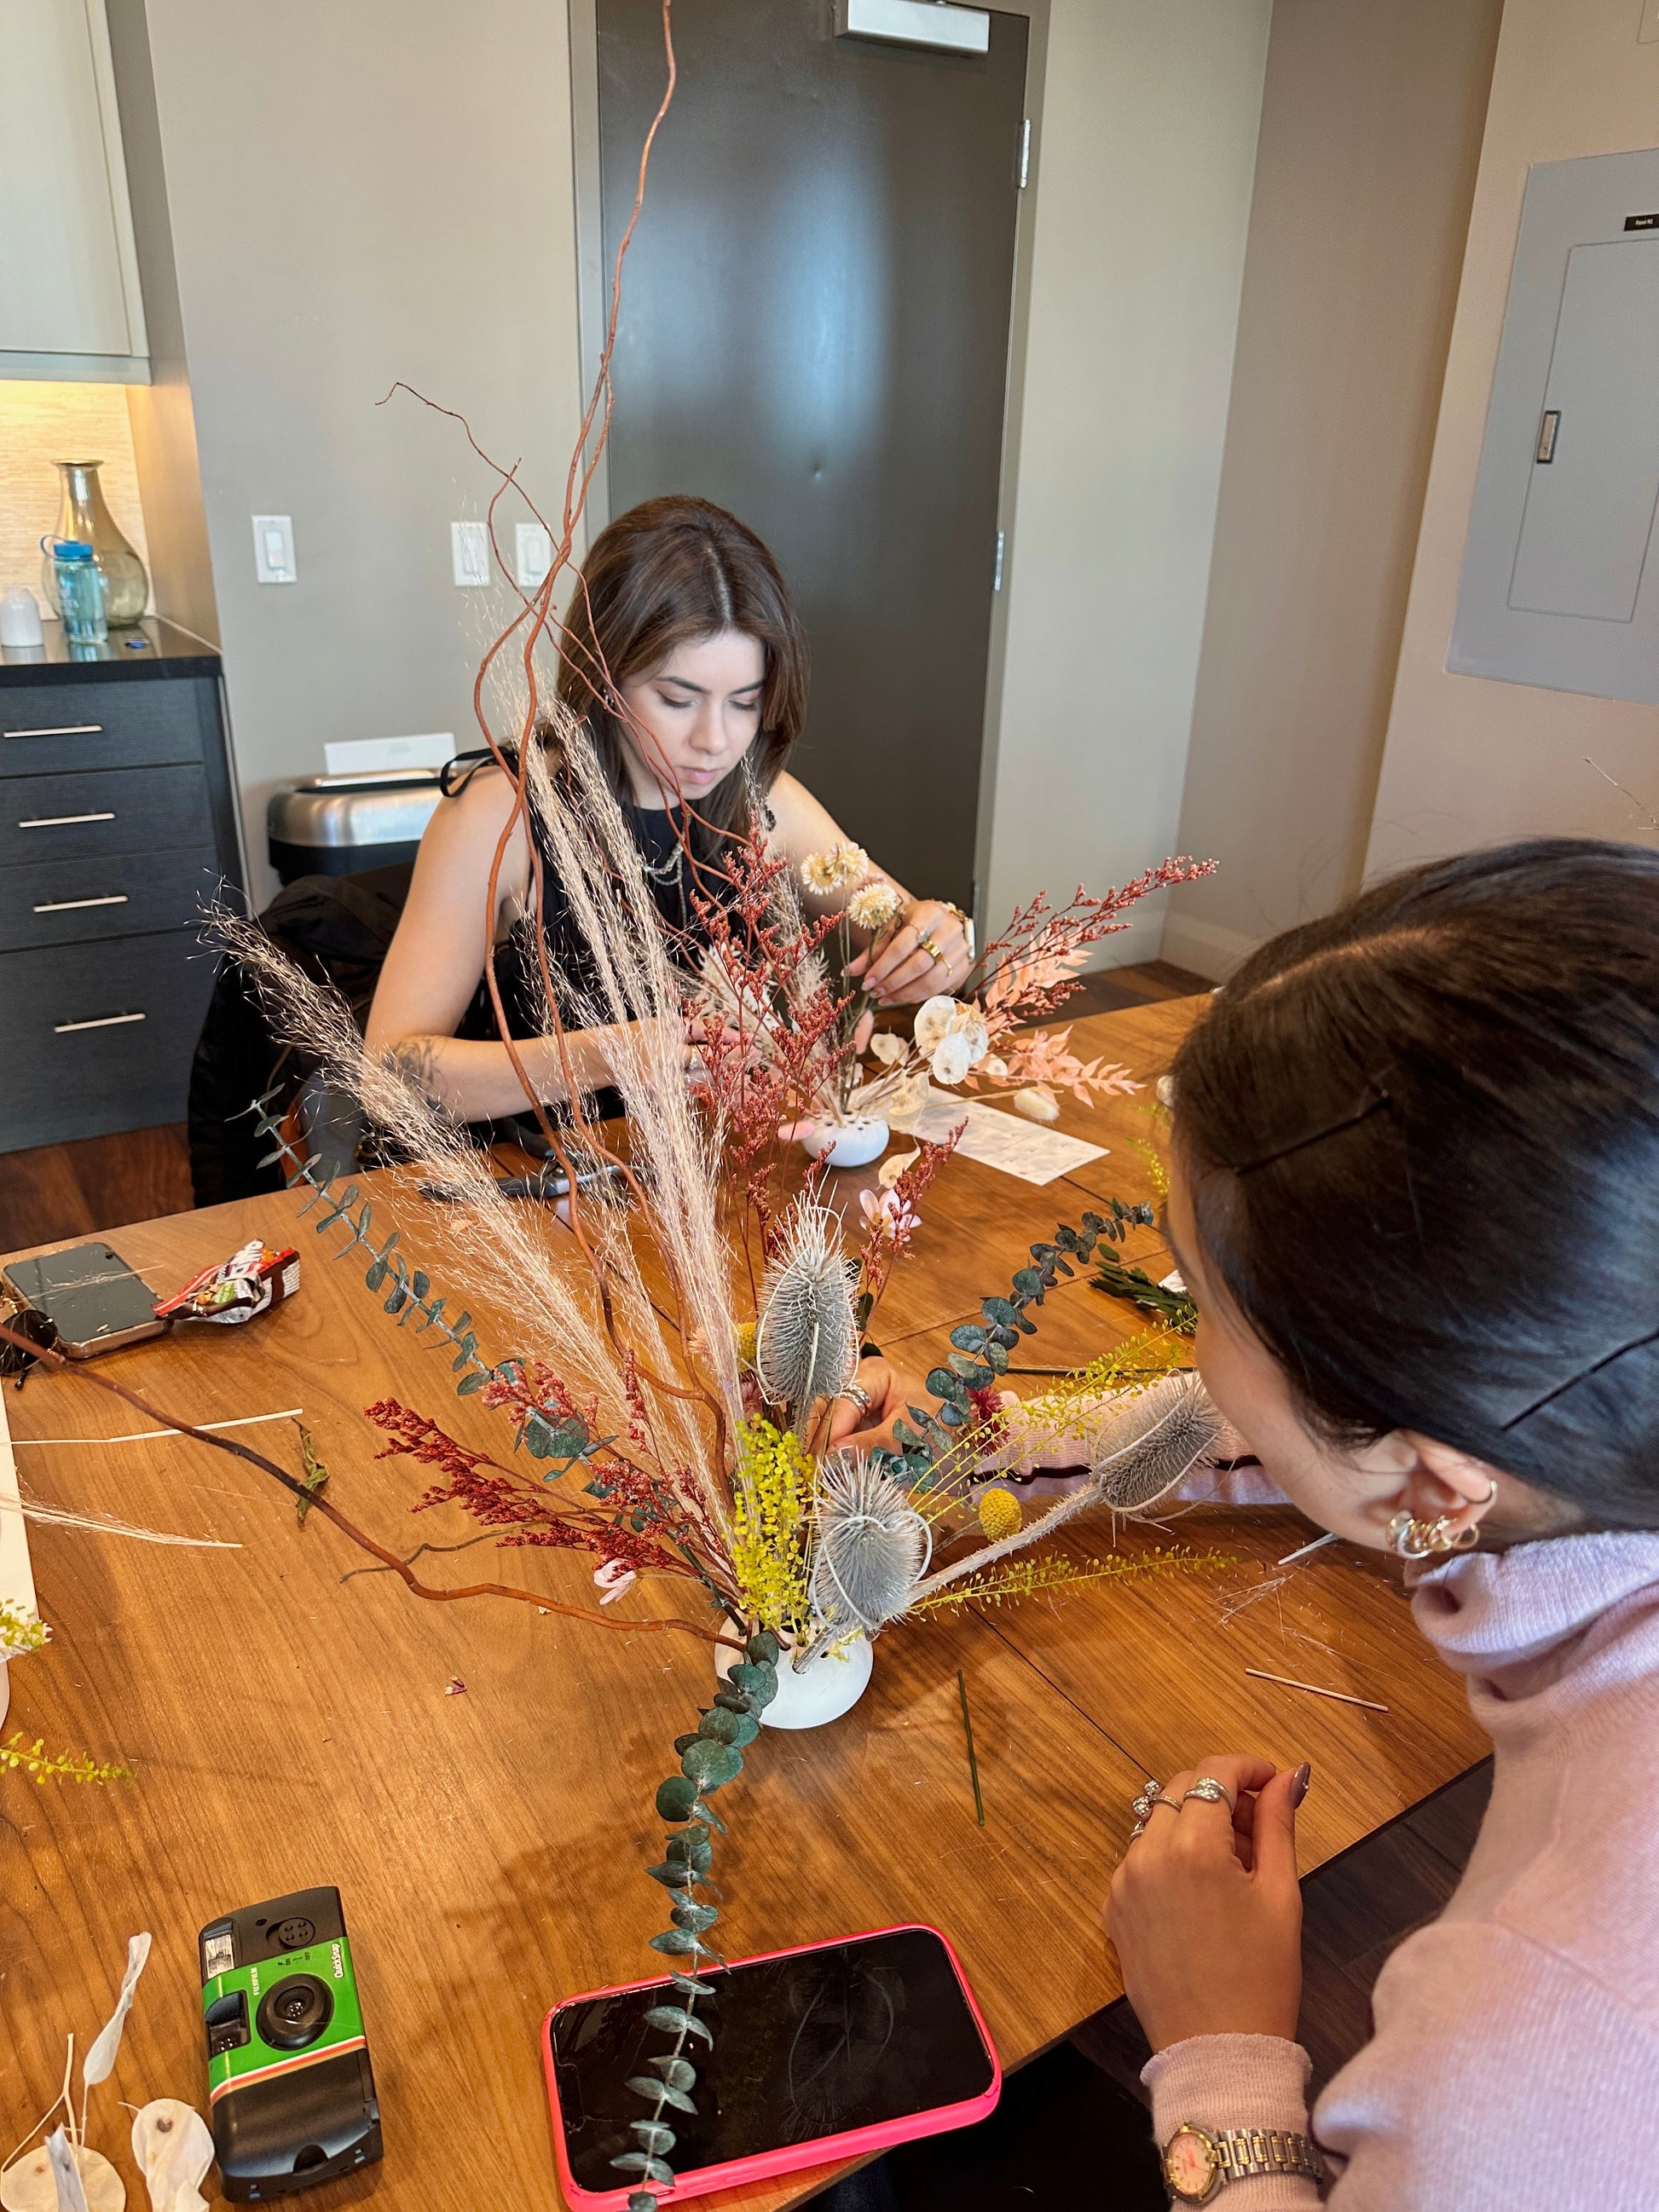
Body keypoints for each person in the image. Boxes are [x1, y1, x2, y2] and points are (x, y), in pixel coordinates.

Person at [841, 838, 1659, 2207]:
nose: (1197, 1345)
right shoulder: (1574, 1417)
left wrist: (1220, 2051)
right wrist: (1002, 1446)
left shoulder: (1540, 2036)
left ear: (1431, 1482)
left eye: (1207, 1307)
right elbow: (1326, 1435)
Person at [366, 494, 970, 1123]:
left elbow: (912, 929)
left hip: (722, 1177)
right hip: (537, 1179)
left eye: (744, 702)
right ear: (602, 676)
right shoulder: (502, 820)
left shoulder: (762, 801)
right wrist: (608, 1055)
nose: (715, 740)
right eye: (678, 699)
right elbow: (388, 1079)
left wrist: (942, 941)